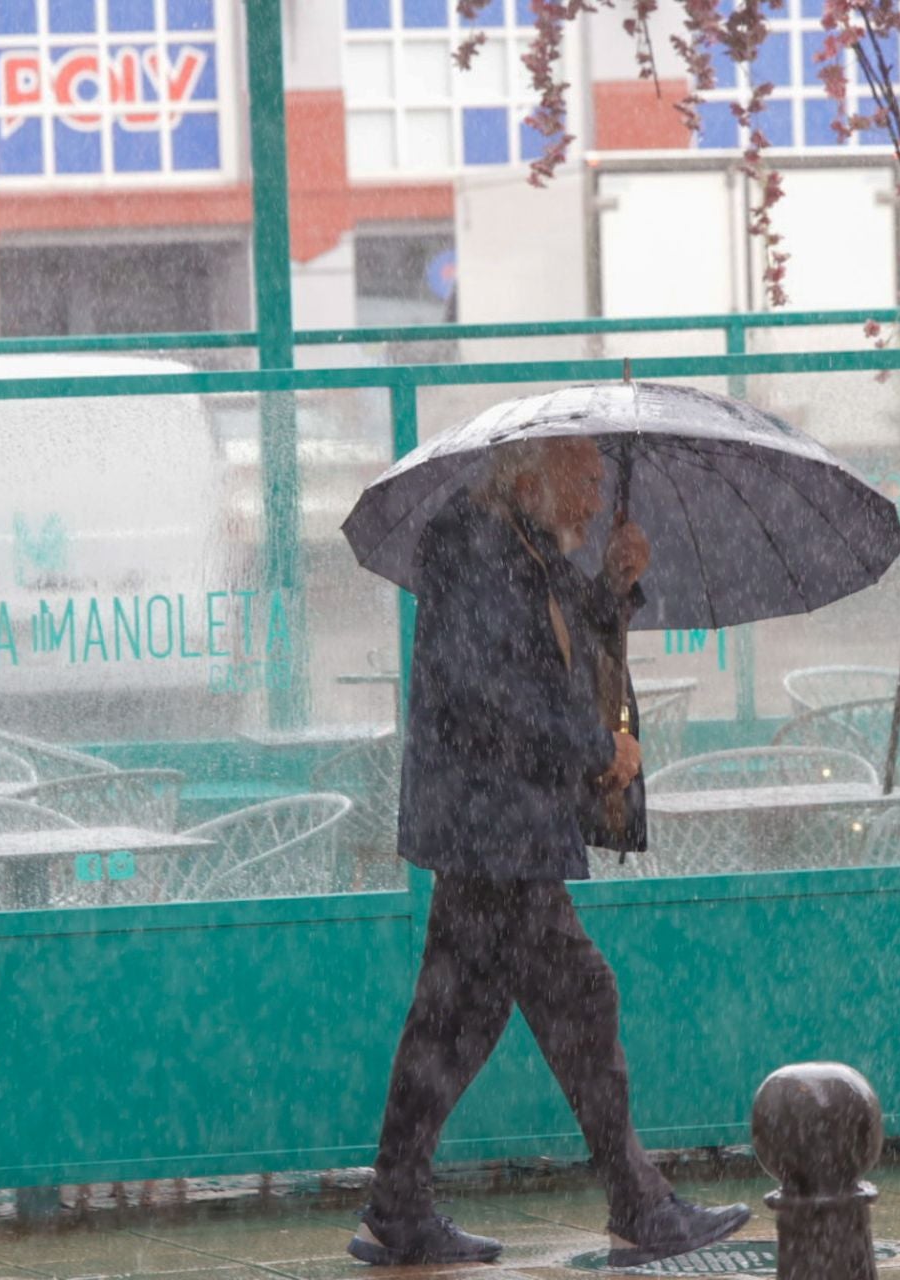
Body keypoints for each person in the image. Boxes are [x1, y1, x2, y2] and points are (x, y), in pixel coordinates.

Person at [350, 436, 750, 1268]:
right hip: (491, 824)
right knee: (575, 998)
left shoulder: (523, 544)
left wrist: (616, 581)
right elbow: (488, 688)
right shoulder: (474, 544)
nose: (594, 501)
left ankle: (397, 1205)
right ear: (529, 475)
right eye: (583, 482)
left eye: (601, 484)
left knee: (456, 1016)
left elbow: (572, 633)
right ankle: (638, 1203)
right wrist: (595, 748)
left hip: (497, 825)